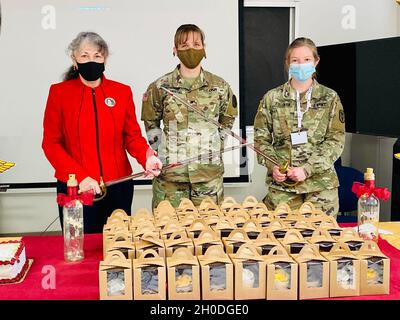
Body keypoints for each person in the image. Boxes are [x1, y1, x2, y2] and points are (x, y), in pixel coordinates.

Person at [42, 31, 162, 233]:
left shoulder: (122, 92)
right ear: (74, 59)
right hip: (76, 188)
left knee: (118, 249)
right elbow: (51, 144)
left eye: (97, 56)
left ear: (105, 58)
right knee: (80, 250)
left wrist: (147, 156)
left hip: (118, 186)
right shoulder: (59, 93)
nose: (91, 61)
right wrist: (80, 177)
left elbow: (131, 136)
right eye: (84, 56)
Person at [141, 24, 238, 209]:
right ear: (175, 50)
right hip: (170, 178)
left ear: (204, 48)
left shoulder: (220, 86)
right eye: (184, 46)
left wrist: (213, 146)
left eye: (196, 44)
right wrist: (164, 153)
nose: (191, 49)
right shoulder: (159, 87)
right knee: (169, 233)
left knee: (208, 232)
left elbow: (227, 120)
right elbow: (151, 125)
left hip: (208, 176)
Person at [254, 37, 345, 217]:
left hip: (321, 188)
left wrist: (307, 169)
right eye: (295, 60)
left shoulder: (330, 98)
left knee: (321, 240)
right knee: (282, 241)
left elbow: (336, 141)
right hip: (283, 188)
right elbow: (260, 139)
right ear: (288, 63)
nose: (300, 65)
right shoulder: (272, 98)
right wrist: (274, 167)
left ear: (316, 61)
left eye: (306, 60)